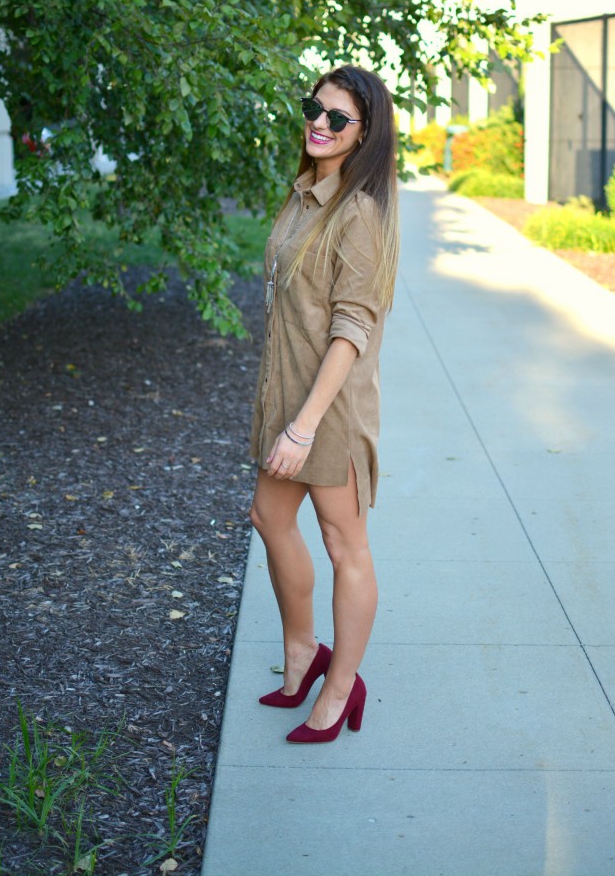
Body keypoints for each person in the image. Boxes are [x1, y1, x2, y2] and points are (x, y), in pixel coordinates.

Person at [249, 64, 399, 743]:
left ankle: (342, 686)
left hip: (327, 412)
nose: (320, 122)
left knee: (345, 546)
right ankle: (304, 653)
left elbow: (351, 329)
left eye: (337, 117)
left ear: (363, 133)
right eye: (316, 107)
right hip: (286, 397)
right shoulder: (303, 193)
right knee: (268, 518)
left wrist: (304, 429)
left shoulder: (358, 213)